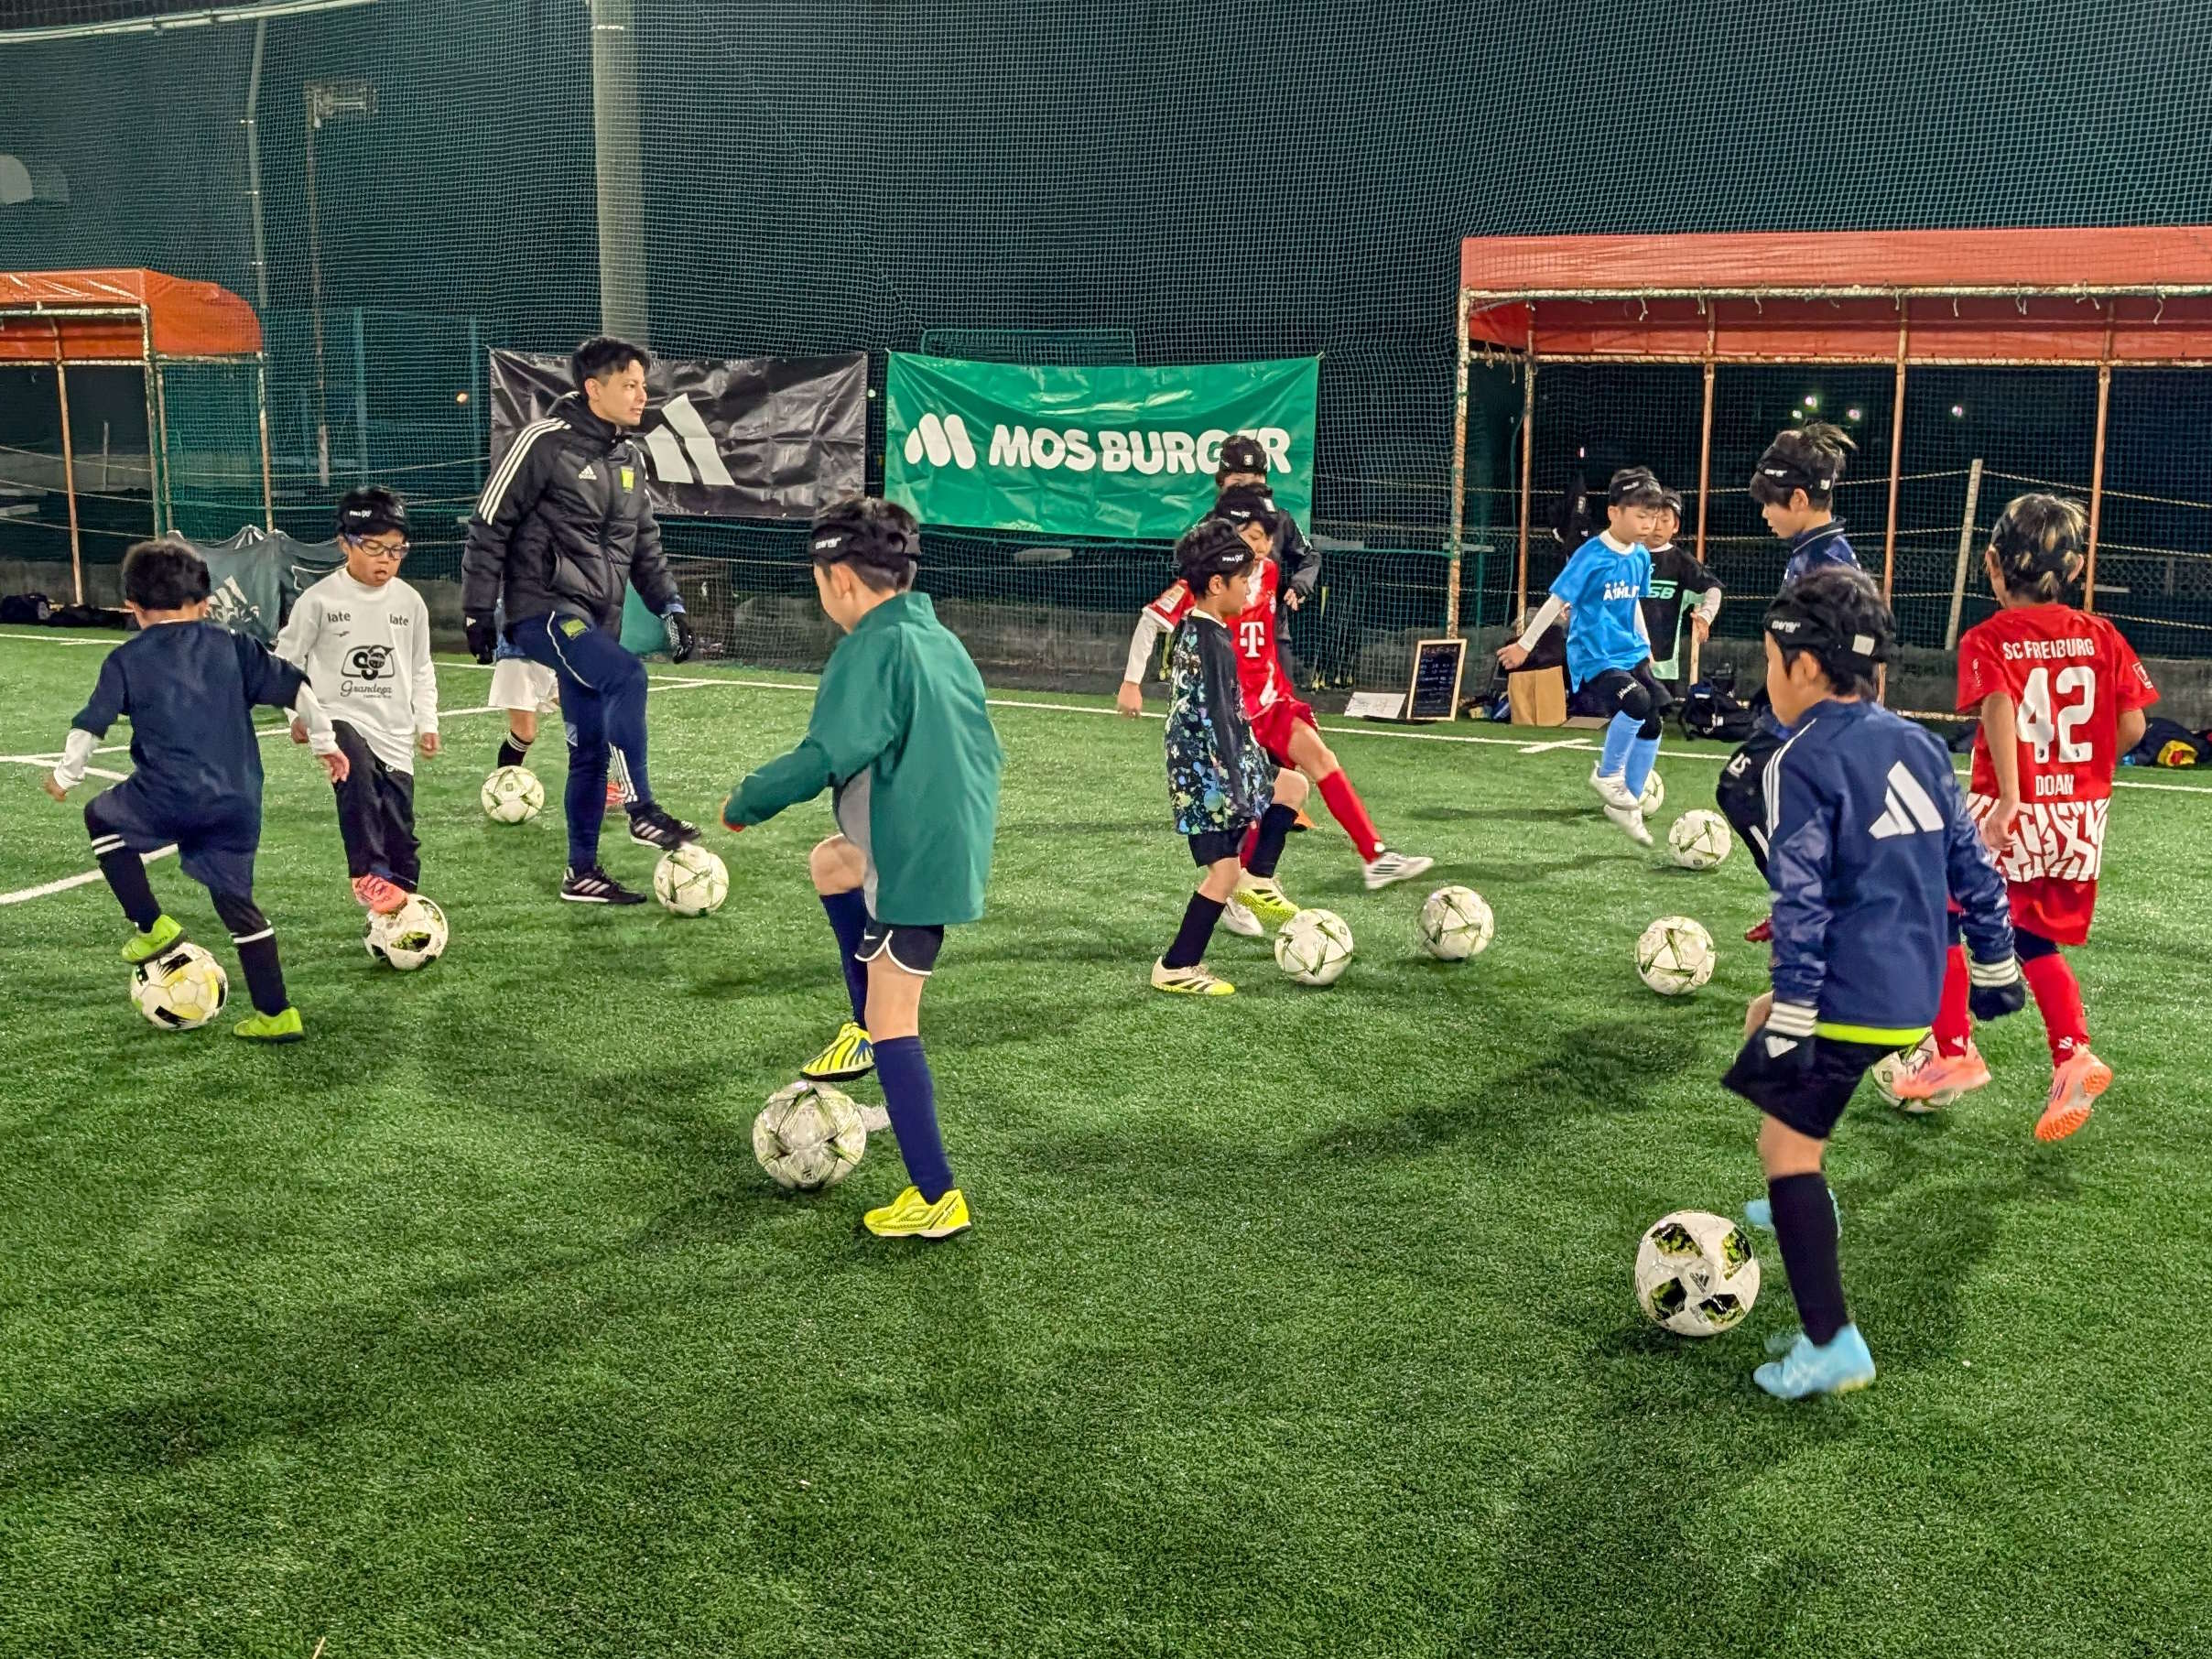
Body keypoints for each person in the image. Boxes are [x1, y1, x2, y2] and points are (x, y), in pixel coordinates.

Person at [1727, 567, 2023, 1399]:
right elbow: (1971, 865)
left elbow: (1799, 898)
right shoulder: (1921, 743)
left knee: (1785, 1148)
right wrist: (1995, 966)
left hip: (1843, 995)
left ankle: (1831, 1340)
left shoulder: (1798, 759)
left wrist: (1797, 1007)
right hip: (1914, 993)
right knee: (1757, 1023)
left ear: (1803, 666)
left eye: (1770, 661)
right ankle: (1801, 1201)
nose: (1767, 677)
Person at [722, 497, 1003, 1241]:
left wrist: (745, 802)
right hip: (933, 839)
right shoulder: (935, 636)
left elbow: (825, 756)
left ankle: (937, 1195)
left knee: (895, 1018)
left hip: (914, 860)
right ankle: (861, 1029)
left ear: (839, 579)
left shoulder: (871, 648)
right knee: (832, 864)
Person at [1892, 495, 2158, 1140]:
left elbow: (1999, 709)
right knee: (2034, 936)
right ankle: (2073, 1054)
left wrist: (2013, 796)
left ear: (1991, 562)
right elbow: (2133, 726)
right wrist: (2080, 772)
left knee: (1939, 913)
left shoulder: (1989, 638)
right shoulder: (2103, 635)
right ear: (2076, 568)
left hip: (2010, 808)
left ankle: (1954, 1051)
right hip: (2079, 817)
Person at [43, 538, 350, 1042]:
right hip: (237, 802)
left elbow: (90, 725)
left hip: (167, 796)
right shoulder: (235, 645)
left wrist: (65, 777)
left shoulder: (126, 659)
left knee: (101, 816)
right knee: (237, 904)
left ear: (132, 607)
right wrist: (325, 743)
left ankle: (151, 926)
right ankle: (276, 1014)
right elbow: (298, 688)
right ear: (206, 603)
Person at [461, 335, 699, 905]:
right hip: (543, 609)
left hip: (596, 621)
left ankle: (582, 872)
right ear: (594, 388)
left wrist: (670, 606)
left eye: (643, 385)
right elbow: (490, 522)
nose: (642, 395)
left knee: (588, 748)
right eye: (630, 385)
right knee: (628, 676)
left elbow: (644, 543)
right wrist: (476, 608)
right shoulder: (542, 442)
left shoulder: (628, 457)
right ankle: (641, 808)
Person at [1118, 487, 1431, 905]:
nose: (1264, 545)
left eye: (1268, 536)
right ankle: (1237, 888)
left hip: (1272, 703)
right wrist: (1131, 683)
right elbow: (1150, 620)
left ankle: (1374, 858)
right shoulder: (1208, 585)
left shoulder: (1265, 571)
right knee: (1255, 802)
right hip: (1233, 715)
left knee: (1321, 760)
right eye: (1254, 536)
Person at [1151, 517, 1310, 996]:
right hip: (1207, 778)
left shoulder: (1208, 629)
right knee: (1223, 874)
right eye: (1243, 580)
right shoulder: (1209, 640)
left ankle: (1256, 879)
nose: (1250, 588)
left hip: (1218, 767)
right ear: (1217, 585)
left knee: (1293, 787)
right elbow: (1216, 722)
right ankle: (1177, 966)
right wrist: (1241, 791)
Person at [1715, 422, 1860, 935]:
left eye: (1769, 504)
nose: (1764, 514)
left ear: (1798, 498)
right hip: (1794, 712)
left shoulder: (1829, 563)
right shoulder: (1812, 550)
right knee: (1768, 799)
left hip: (1812, 718)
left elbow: (1859, 648)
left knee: (1740, 787)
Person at [276, 487, 439, 915]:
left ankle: (399, 911)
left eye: (396, 549)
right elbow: (286, 662)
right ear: (344, 544)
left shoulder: (410, 602)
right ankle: (365, 870)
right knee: (357, 776)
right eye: (373, 547)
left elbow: (421, 667)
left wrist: (428, 721)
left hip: (394, 732)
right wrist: (297, 713)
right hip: (338, 718)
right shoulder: (319, 600)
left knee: (401, 836)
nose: (386, 559)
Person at [1497, 466, 1670, 846]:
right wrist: (1525, 644)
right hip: (1595, 654)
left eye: (1654, 516)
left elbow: (1633, 604)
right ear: (1614, 512)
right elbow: (1556, 601)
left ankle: (1627, 805)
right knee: (1637, 702)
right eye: (1641, 515)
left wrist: (1646, 645)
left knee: (1654, 721)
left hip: (1630, 650)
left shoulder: (1640, 556)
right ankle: (1608, 775)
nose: (1649, 524)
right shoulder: (1590, 555)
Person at [487, 628, 630, 816]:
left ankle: (601, 785)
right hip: (519, 653)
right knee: (524, 733)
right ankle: (505, 793)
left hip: (556, 654)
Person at [1642, 488, 1722, 689]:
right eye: (1652, 518)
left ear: (1675, 525)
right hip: (1622, 662)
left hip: (1661, 667)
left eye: (1665, 520)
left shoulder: (1681, 562)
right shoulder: (1625, 557)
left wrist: (1706, 616)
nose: (1657, 526)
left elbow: (1713, 589)